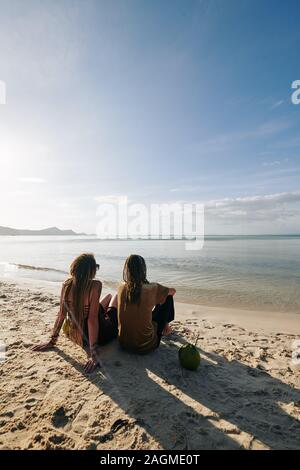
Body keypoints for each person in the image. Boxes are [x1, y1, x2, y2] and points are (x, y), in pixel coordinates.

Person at [32, 253, 118, 372]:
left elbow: (61, 314)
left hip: (75, 333)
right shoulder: (95, 285)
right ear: (91, 270)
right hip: (98, 335)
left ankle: (105, 309)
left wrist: (52, 340)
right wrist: (93, 352)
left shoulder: (66, 285)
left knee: (107, 297)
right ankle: (110, 307)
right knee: (114, 299)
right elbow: (92, 320)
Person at [118, 254, 176, 354]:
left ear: (127, 269)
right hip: (146, 346)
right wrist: (157, 297)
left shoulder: (121, 287)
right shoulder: (151, 288)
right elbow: (173, 291)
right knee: (168, 297)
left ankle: (165, 326)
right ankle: (166, 327)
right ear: (143, 269)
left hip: (124, 343)